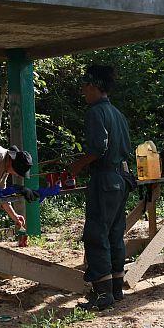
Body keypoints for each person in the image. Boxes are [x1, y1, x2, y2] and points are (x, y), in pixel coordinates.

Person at [68, 65, 133, 310]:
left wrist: (76, 166)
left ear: (94, 87)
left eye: (85, 87)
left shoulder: (95, 112)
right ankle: (116, 288)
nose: (83, 92)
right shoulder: (117, 113)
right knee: (115, 234)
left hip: (105, 180)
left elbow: (98, 149)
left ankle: (102, 294)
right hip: (122, 179)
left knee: (96, 233)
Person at [0, 143, 36, 228]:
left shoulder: (4, 170)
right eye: (17, 172)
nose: (17, 175)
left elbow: (2, 198)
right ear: (11, 163)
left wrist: (15, 216)